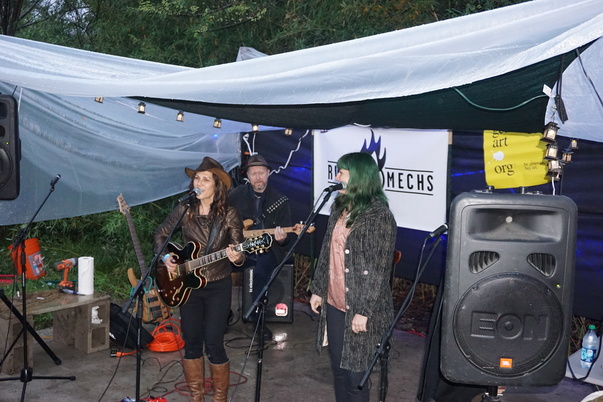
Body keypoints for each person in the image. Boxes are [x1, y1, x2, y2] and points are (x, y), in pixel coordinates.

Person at [154, 156, 245, 402]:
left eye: (205, 179)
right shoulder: (185, 210)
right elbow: (160, 234)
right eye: (197, 178)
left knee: (214, 342)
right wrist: (166, 258)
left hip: (217, 284)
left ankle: (219, 398)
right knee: (192, 341)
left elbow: (239, 251)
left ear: (217, 185)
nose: (199, 183)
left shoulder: (229, 214)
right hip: (187, 286)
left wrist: (237, 256)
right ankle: (196, 396)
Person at [309, 152, 397, 402]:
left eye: (342, 172)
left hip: (361, 308)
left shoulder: (379, 216)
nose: (337, 177)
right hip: (335, 303)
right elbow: (327, 251)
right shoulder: (339, 208)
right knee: (339, 370)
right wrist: (318, 289)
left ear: (358, 177)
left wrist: (364, 311)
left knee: (354, 378)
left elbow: (379, 269)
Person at [228, 154, 292, 338]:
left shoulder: (280, 200)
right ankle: (223, 314)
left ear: (268, 173)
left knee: (262, 269)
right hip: (240, 247)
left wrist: (281, 239)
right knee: (219, 267)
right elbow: (222, 221)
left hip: (267, 249)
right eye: (253, 173)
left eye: (261, 173)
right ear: (247, 176)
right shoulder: (235, 195)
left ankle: (258, 321)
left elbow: (287, 238)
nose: (258, 177)